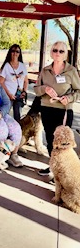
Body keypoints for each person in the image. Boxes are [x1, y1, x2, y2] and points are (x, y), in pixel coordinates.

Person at [34, 41, 80, 176]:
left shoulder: (71, 71)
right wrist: (45, 89)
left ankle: (63, 171)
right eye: (55, 50)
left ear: (65, 54)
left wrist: (69, 98)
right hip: (47, 109)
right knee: (50, 139)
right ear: (51, 52)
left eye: (61, 51)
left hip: (64, 111)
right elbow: (36, 89)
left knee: (63, 142)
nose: (57, 53)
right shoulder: (45, 70)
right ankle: (53, 166)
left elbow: (78, 90)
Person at [0, 44, 28, 123]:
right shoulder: (6, 66)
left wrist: (24, 91)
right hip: (8, 95)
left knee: (17, 115)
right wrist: (8, 94)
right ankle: (3, 130)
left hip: (19, 94)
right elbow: (0, 82)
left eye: (17, 51)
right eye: (13, 51)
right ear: (10, 52)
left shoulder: (22, 66)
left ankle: (17, 132)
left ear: (19, 53)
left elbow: (26, 81)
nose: (15, 53)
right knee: (4, 114)